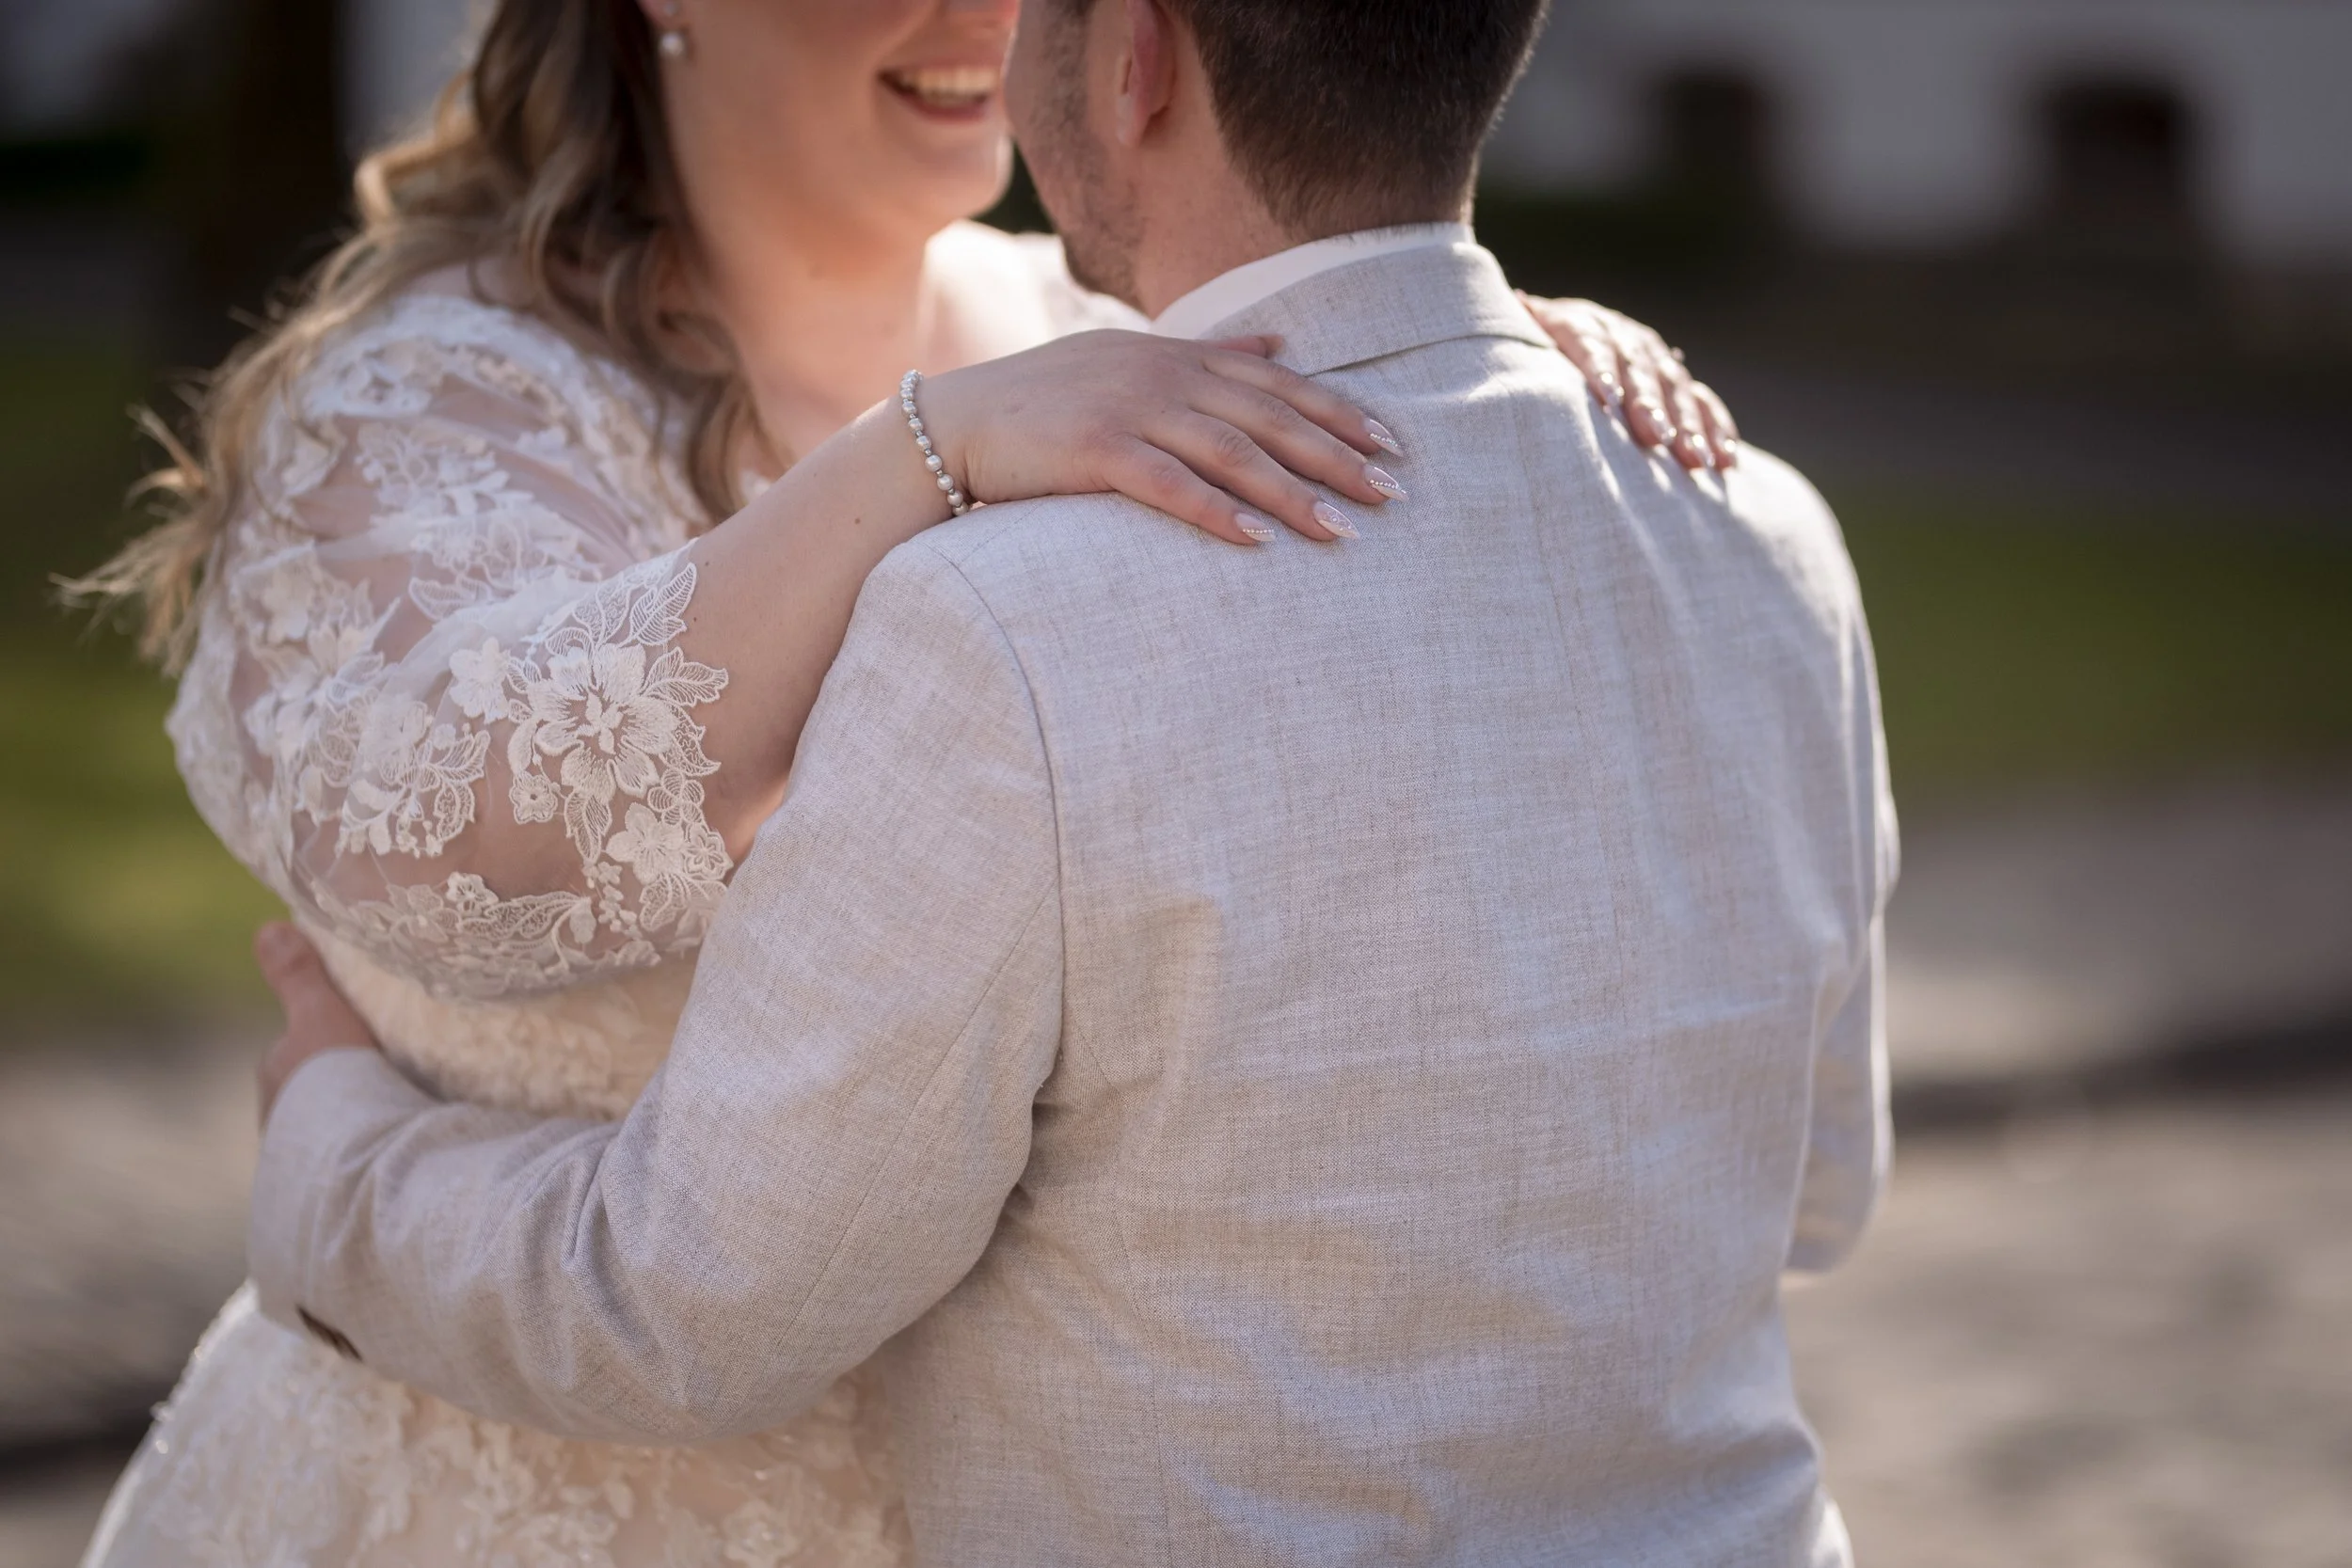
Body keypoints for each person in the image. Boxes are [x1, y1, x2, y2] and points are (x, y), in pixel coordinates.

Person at [209, 0, 1899, 1563]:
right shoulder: (439, 408)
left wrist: (1494, 382)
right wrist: (921, 457)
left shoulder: (1122, 349)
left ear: (1131, 60)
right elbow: (442, 812)